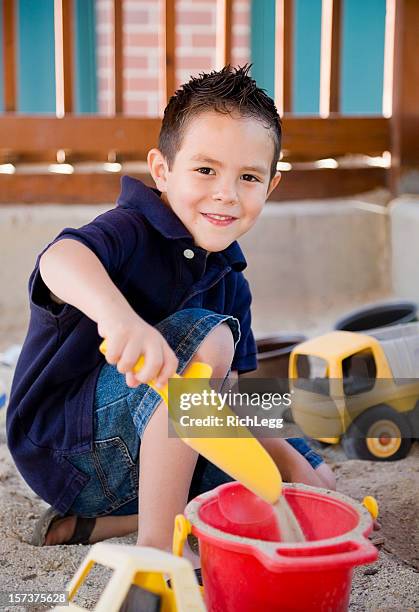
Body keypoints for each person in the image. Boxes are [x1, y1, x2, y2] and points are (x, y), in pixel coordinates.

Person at [7, 65, 335, 563]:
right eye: (206, 170)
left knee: (302, 461)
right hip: (71, 449)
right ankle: (158, 550)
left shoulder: (231, 279)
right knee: (209, 341)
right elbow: (59, 260)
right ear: (162, 170)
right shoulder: (130, 228)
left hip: (137, 469)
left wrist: (296, 464)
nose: (226, 192)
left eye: (248, 177)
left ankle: (99, 524)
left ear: (269, 187)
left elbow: (242, 401)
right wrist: (121, 320)